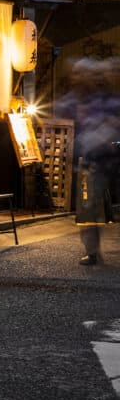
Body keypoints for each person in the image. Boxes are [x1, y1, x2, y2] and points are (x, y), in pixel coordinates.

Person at [56, 57, 120, 265]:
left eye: (83, 74)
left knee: (91, 203)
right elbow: (61, 109)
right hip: (91, 160)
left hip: (106, 159)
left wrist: (99, 135)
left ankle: (93, 251)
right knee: (87, 205)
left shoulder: (106, 100)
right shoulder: (77, 99)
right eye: (77, 74)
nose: (78, 78)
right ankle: (92, 251)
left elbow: (113, 122)